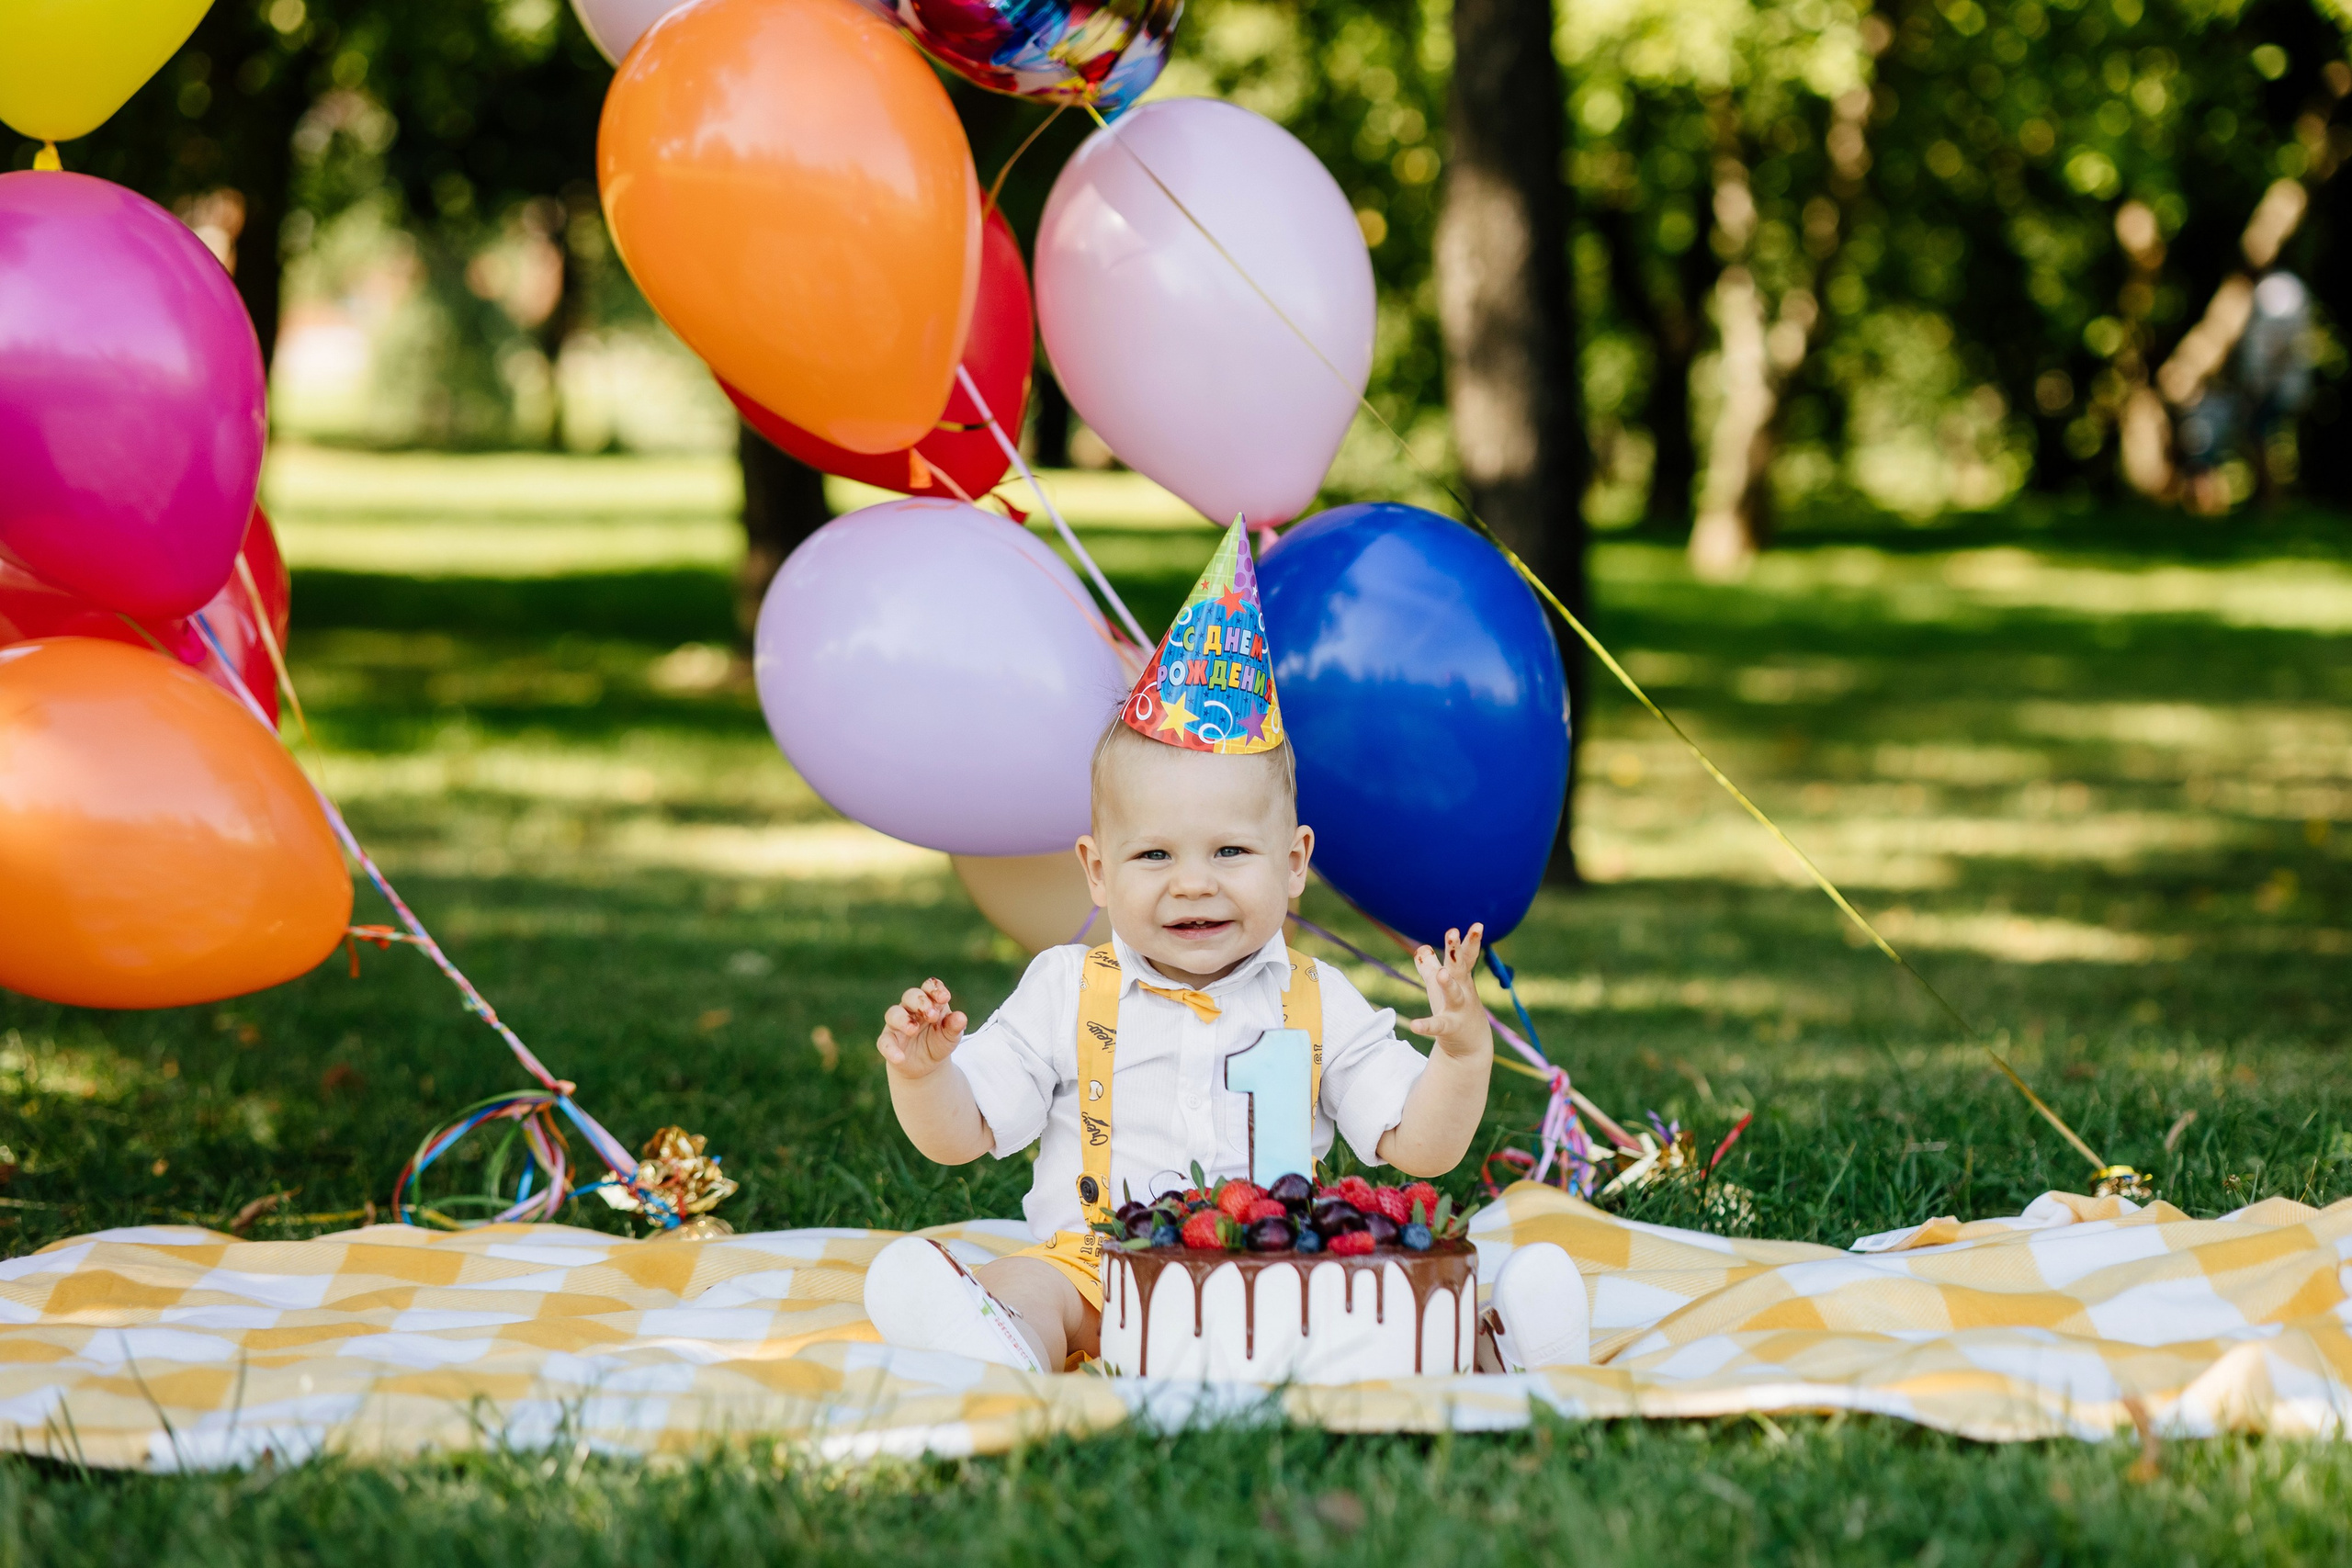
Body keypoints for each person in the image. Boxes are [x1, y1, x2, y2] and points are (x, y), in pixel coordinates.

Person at [858, 520, 1586, 1373]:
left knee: (1379, 1294)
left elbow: (1418, 1148)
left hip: (1283, 1275)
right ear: (1097, 869)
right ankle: (1000, 1336)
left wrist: (1463, 1054)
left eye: (1230, 853)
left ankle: (1496, 1342)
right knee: (1033, 1282)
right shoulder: (1065, 988)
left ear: (1294, 864)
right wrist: (924, 1074)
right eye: (1155, 854)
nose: (1193, 883)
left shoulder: (1320, 1000)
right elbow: (964, 1132)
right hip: (1102, 1276)